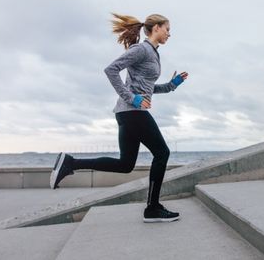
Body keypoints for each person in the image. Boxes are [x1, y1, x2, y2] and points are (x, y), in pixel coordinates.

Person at [50, 13, 188, 223]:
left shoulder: (152, 53)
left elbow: (147, 87)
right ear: (157, 28)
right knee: (162, 153)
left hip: (127, 113)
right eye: (167, 29)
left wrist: (172, 85)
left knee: (125, 164)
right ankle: (152, 208)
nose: (170, 33)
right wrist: (131, 98)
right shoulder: (141, 49)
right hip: (133, 112)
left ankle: (71, 163)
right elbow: (111, 70)